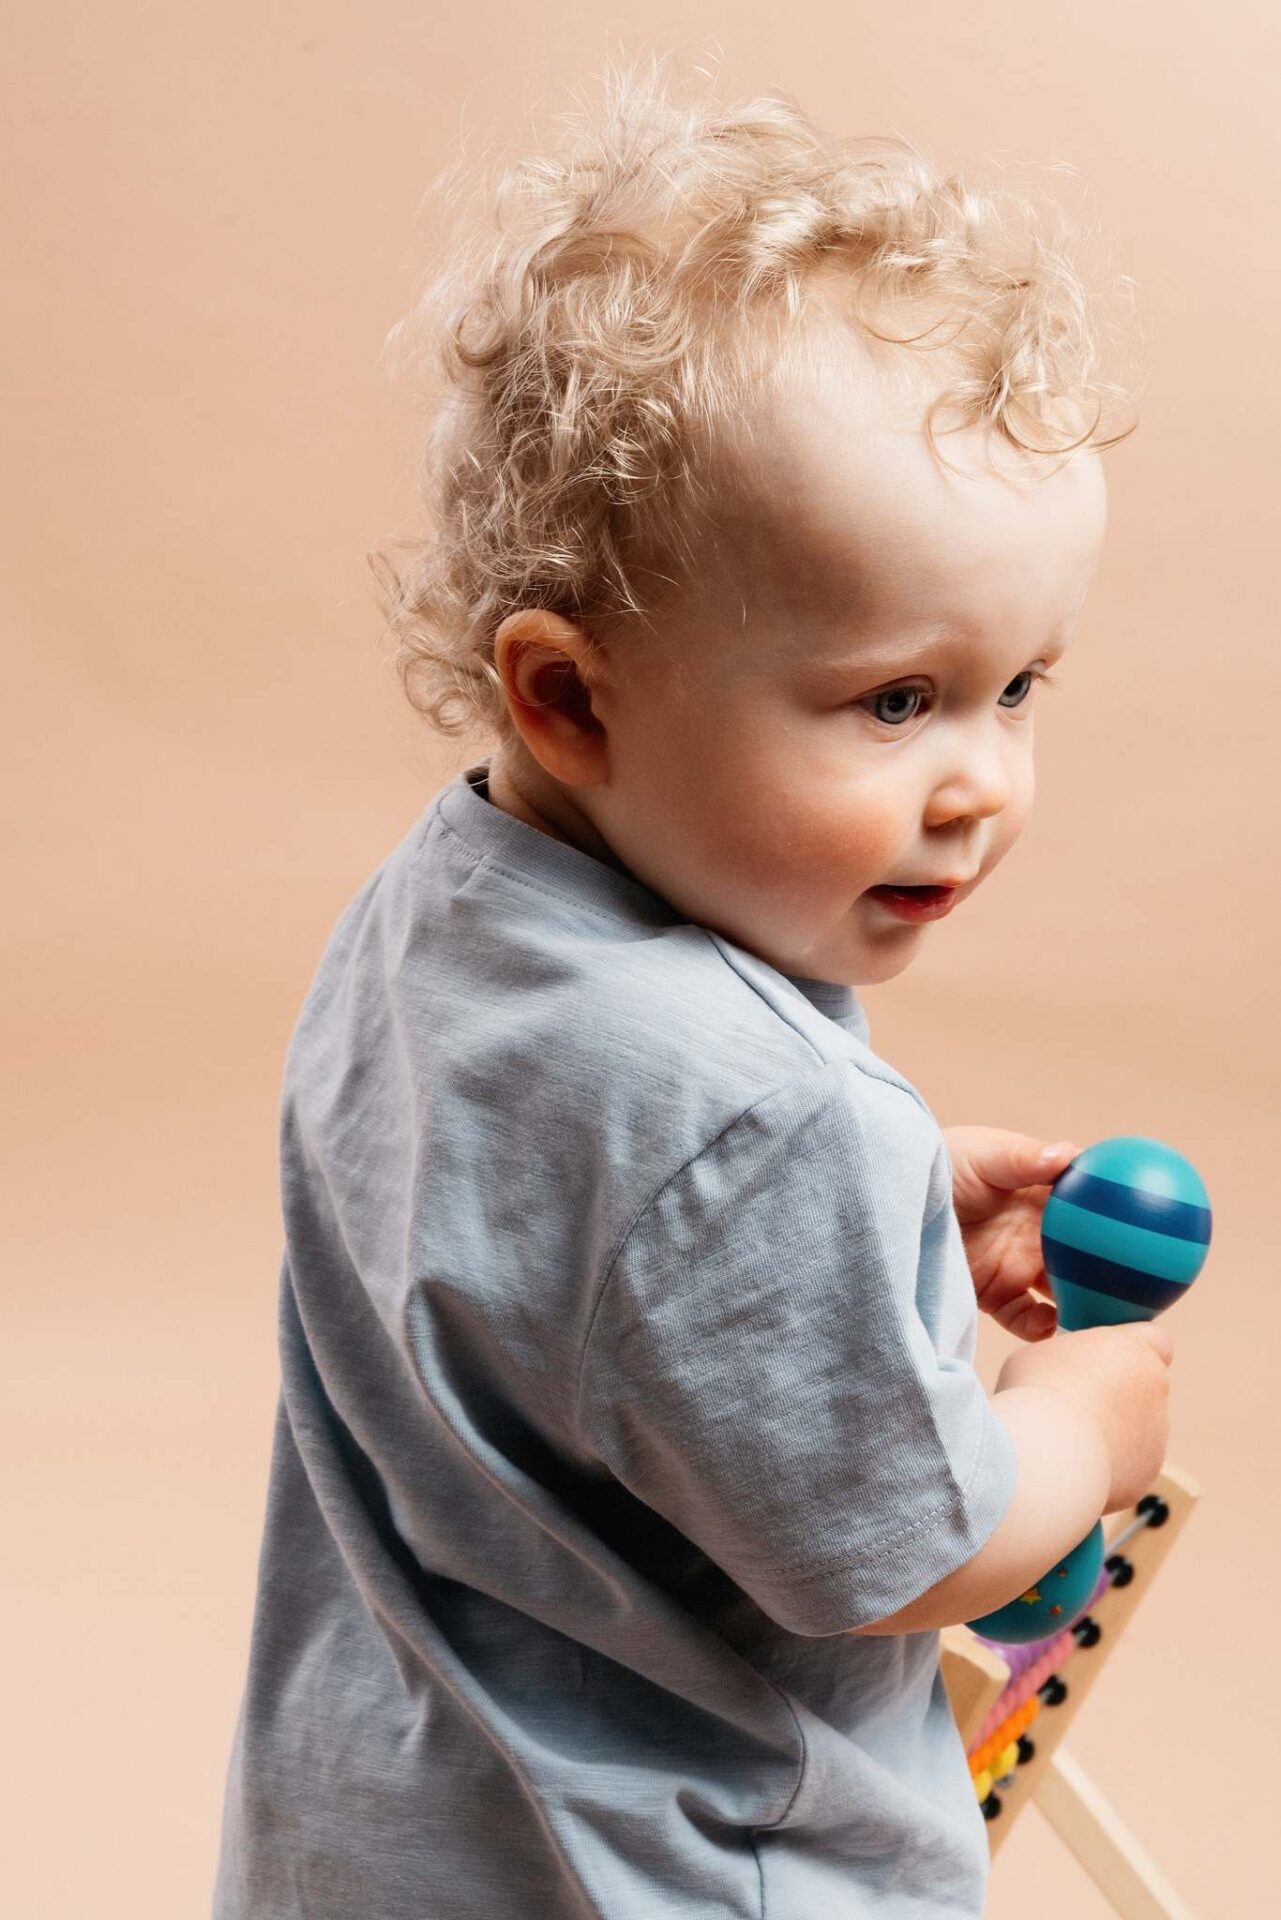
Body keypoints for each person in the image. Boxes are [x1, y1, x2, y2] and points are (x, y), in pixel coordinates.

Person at [213, 59, 1174, 1919]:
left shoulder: (428, 917)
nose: (979, 781)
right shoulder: (760, 1114)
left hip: (389, 1839)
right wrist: (1080, 1424)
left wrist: (866, 1223)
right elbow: (903, 1551)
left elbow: (529, 1258)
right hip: (671, 1876)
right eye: (895, 700)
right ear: (571, 695)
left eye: (1017, 689)